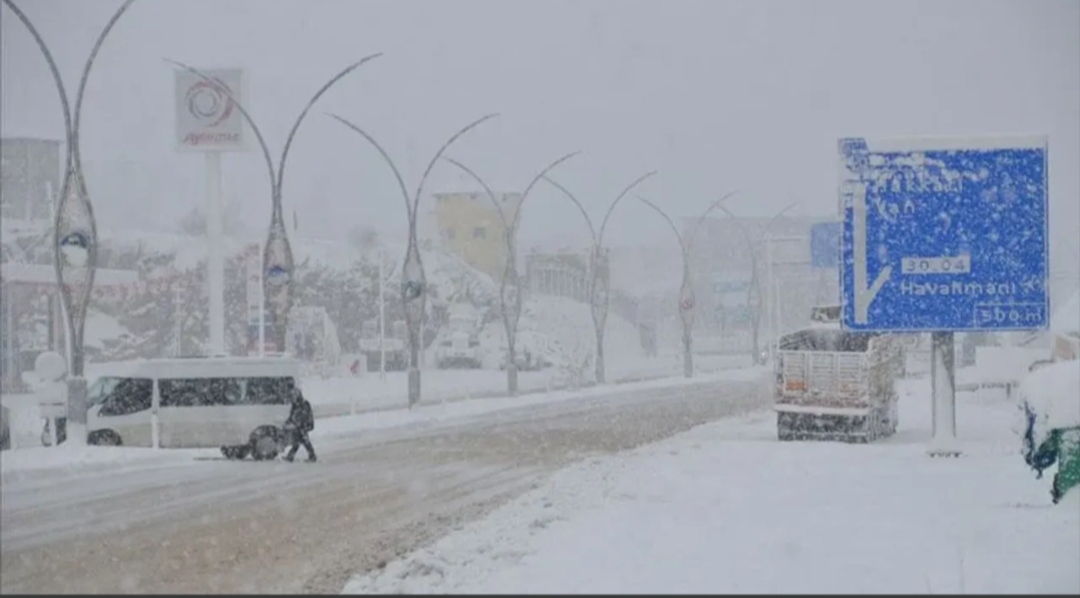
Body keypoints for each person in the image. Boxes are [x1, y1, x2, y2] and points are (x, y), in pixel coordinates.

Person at [283, 387, 316, 462]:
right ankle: (291, 456)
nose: (293, 397)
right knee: (299, 441)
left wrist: (303, 424)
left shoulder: (304, 404)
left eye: (294, 395)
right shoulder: (295, 405)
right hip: (298, 426)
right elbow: (292, 415)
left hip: (303, 425)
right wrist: (288, 422)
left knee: (303, 441)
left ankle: (312, 456)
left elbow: (306, 415)